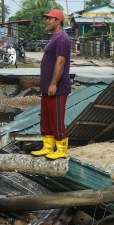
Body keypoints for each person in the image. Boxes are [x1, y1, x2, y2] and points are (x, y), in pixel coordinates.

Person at [31, 8, 72, 159]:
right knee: (46, 118)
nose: (47, 21)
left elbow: (60, 62)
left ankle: (61, 149)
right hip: (47, 87)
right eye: (46, 18)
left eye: (50, 19)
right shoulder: (54, 38)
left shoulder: (62, 38)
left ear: (58, 21)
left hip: (58, 87)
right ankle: (48, 146)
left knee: (56, 119)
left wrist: (54, 83)